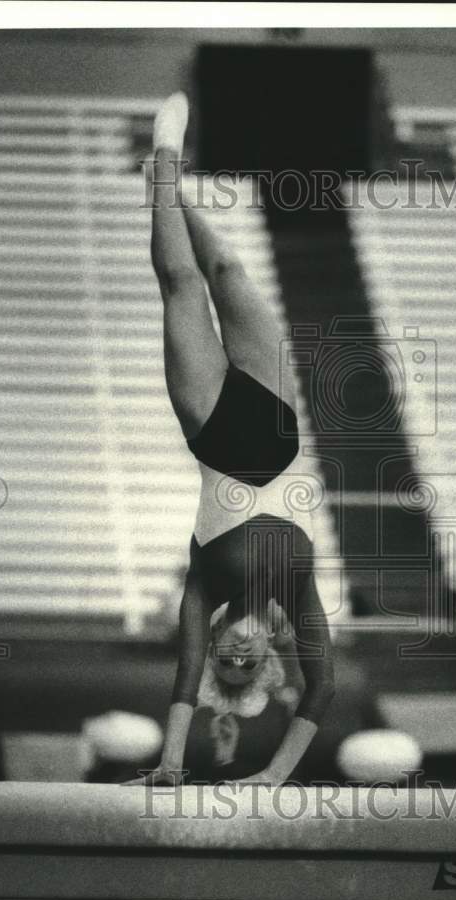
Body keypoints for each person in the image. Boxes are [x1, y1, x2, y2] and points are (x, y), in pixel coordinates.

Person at [127, 93, 334, 787]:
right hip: (278, 416)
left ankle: (161, 162)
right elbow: (321, 688)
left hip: (213, 425)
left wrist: (169, 761)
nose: (239, 654)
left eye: (228, 659)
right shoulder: (299, 591)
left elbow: (184, 682)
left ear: (215, 640)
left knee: (184, 284)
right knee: (232, 273)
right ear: (269, 650)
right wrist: (274, 777)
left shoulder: (202, 582)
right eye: (251, 662)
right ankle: (176, 192)